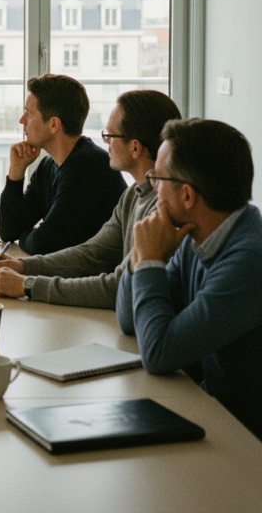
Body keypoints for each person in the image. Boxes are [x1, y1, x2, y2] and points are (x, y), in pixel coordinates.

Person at [116, 119, 262, 439]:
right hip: (218, 419)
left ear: (187, 196)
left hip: (247, 445)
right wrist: (143, 254)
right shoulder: (193, 237)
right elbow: (129, 319)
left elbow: (158, 352)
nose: (153, 187)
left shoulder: (250, 260)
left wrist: (151, 259)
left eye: (158, 178)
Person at [0, 90, 181, 307]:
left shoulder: (165, 208)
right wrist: (23, 266)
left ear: (135, 147)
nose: (106, 143)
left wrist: (28, 284)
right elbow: (91, 253)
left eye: (110, 136)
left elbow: (118, 286)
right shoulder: (133, 194)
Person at [0, 74, 127, 255]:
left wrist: (24, 237)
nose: (22, 120)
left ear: (53, 124)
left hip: (99, 278)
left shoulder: (88, 167)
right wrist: (16, 172)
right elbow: (9, 230)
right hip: (72, 274)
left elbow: (45, 243)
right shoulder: (48, 165)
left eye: (29, 114)